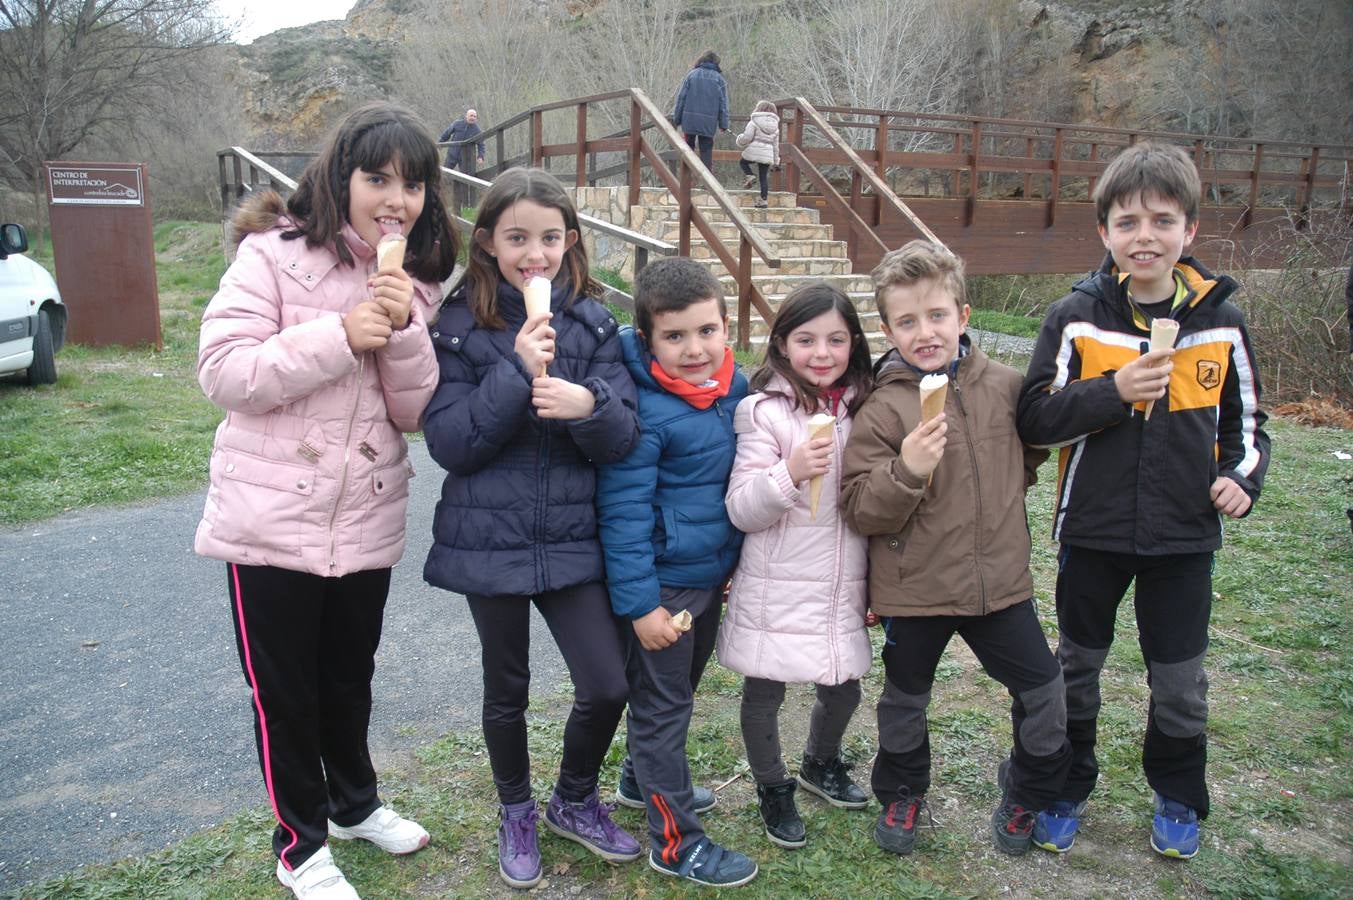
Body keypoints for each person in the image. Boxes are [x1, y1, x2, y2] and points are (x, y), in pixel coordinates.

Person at [195, 102, 459, 900]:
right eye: (377, 178)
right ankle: (300, 845)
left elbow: (413, 413)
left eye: (413, 185)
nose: (396, 199)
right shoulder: (272, 256)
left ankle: (355, 806)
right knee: (286, 695)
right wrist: (341, 334)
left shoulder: (419, 280)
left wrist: (402, 328)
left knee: (348, 678)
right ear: (340, 178)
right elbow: (225, 372)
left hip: (364, 515)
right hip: (270, 521)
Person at [1017, 140, 1270, 860]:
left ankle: (1178, 793)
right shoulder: (1075, 317)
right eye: (1127, 222)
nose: (1145, 237)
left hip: (1184, 537)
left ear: (1189, 230)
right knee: (1076, 668)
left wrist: (1240, 478)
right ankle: (1065, 785)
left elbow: (1247, 422)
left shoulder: (1221, 322)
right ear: (1104, 232)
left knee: (1180, 680)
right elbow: (1033, 417)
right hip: (1092, 532)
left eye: (1162, 221)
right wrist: (1113, 392)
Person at [421, 167, 642, 889]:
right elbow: (451, 443)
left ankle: (573, 799)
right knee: (506, 688)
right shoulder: (458, 327)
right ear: (488, 242)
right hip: (489, 538)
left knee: (606, 684)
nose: (534, 254)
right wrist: (515, 373)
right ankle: (515, 809)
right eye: (517, 238)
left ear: (570, 241)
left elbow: (623, 436)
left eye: (549, 238)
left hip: (573, 537)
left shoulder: (594, 324)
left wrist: (590, 406)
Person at [839, 241, 1070, 858]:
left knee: (1045, 693)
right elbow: (859, 506)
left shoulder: (1008, 387)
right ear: (887, 330)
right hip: (915, 589)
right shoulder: (882, 408)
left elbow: (1029, 454)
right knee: (904, 702)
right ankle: (902, 791)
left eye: (937, 315)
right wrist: (908, 470)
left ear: (963, 315)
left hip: (999, 586)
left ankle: (1028, 790)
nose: (925, 333)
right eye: (907, 321)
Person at [595, 257, 757, 888]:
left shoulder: (734, 389)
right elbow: (623, 513)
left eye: (707, 331)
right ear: (647, 339)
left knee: (679, 692)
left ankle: (641, 780)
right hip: (664, 586)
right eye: (675, 336)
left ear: (727, 328)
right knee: (664, 708)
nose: (695, 349)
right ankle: (676, 842)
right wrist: (642, 607)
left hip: (709, 574)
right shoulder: (642, 411)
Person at [718, 282, 873, 850]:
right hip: (775, 580)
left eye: (836, 340)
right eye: (806, 340)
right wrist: (791, 470)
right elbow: (742, 507)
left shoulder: (866, 407)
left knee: (845, 687)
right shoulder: (763, 413)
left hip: (840, 581)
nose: (822, 353)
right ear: (782, 343)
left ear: (854, 343)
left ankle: (819, 762)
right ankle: (772, 786)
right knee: (765, 693)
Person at [671, 50, 729, 172]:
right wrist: (723, 124)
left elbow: (681, 98)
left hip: (690, 120)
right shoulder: (720, 80)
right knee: (706, 151)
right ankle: (706, 180)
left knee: (688, 149)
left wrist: (677, 119)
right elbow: (723, 105)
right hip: (708, 123)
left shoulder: (691, 75)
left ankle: (687, 178)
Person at [735, 100, 780, 208]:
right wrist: (776, 161)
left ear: (759, 109)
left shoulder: (754, 122)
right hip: (767, 154)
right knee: (763, 177)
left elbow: (747, 137)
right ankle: (763, 200)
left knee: (743, 162)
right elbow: (775, 146)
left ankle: (750, 175)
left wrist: (739, 139)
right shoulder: (776, 127)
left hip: (754, 151)